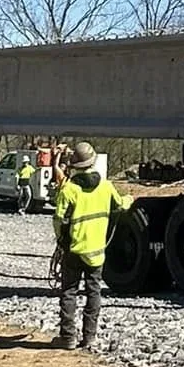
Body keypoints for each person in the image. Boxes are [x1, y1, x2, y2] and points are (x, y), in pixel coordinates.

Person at [52, 141, 130, 350]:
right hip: (96, 252)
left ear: (75, 165)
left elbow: (58, 219)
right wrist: (131, 198)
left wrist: (61, 241)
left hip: (74, 251)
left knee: (69, 292)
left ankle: (68, 337)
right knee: (93, 292)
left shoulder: (69, 190)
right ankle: (89, 337)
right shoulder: (106, 186)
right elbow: (121, 205)